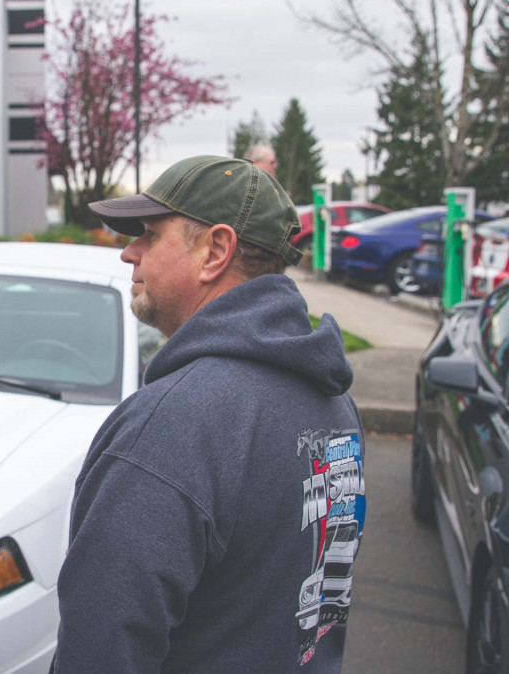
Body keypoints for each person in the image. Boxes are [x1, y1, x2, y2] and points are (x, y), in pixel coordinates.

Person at [52, 155, 366, 673]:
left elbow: (100, 651)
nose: (129, 252)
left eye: (150, 235)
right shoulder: (332, 400)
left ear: (215, 251)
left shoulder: (172, 428)